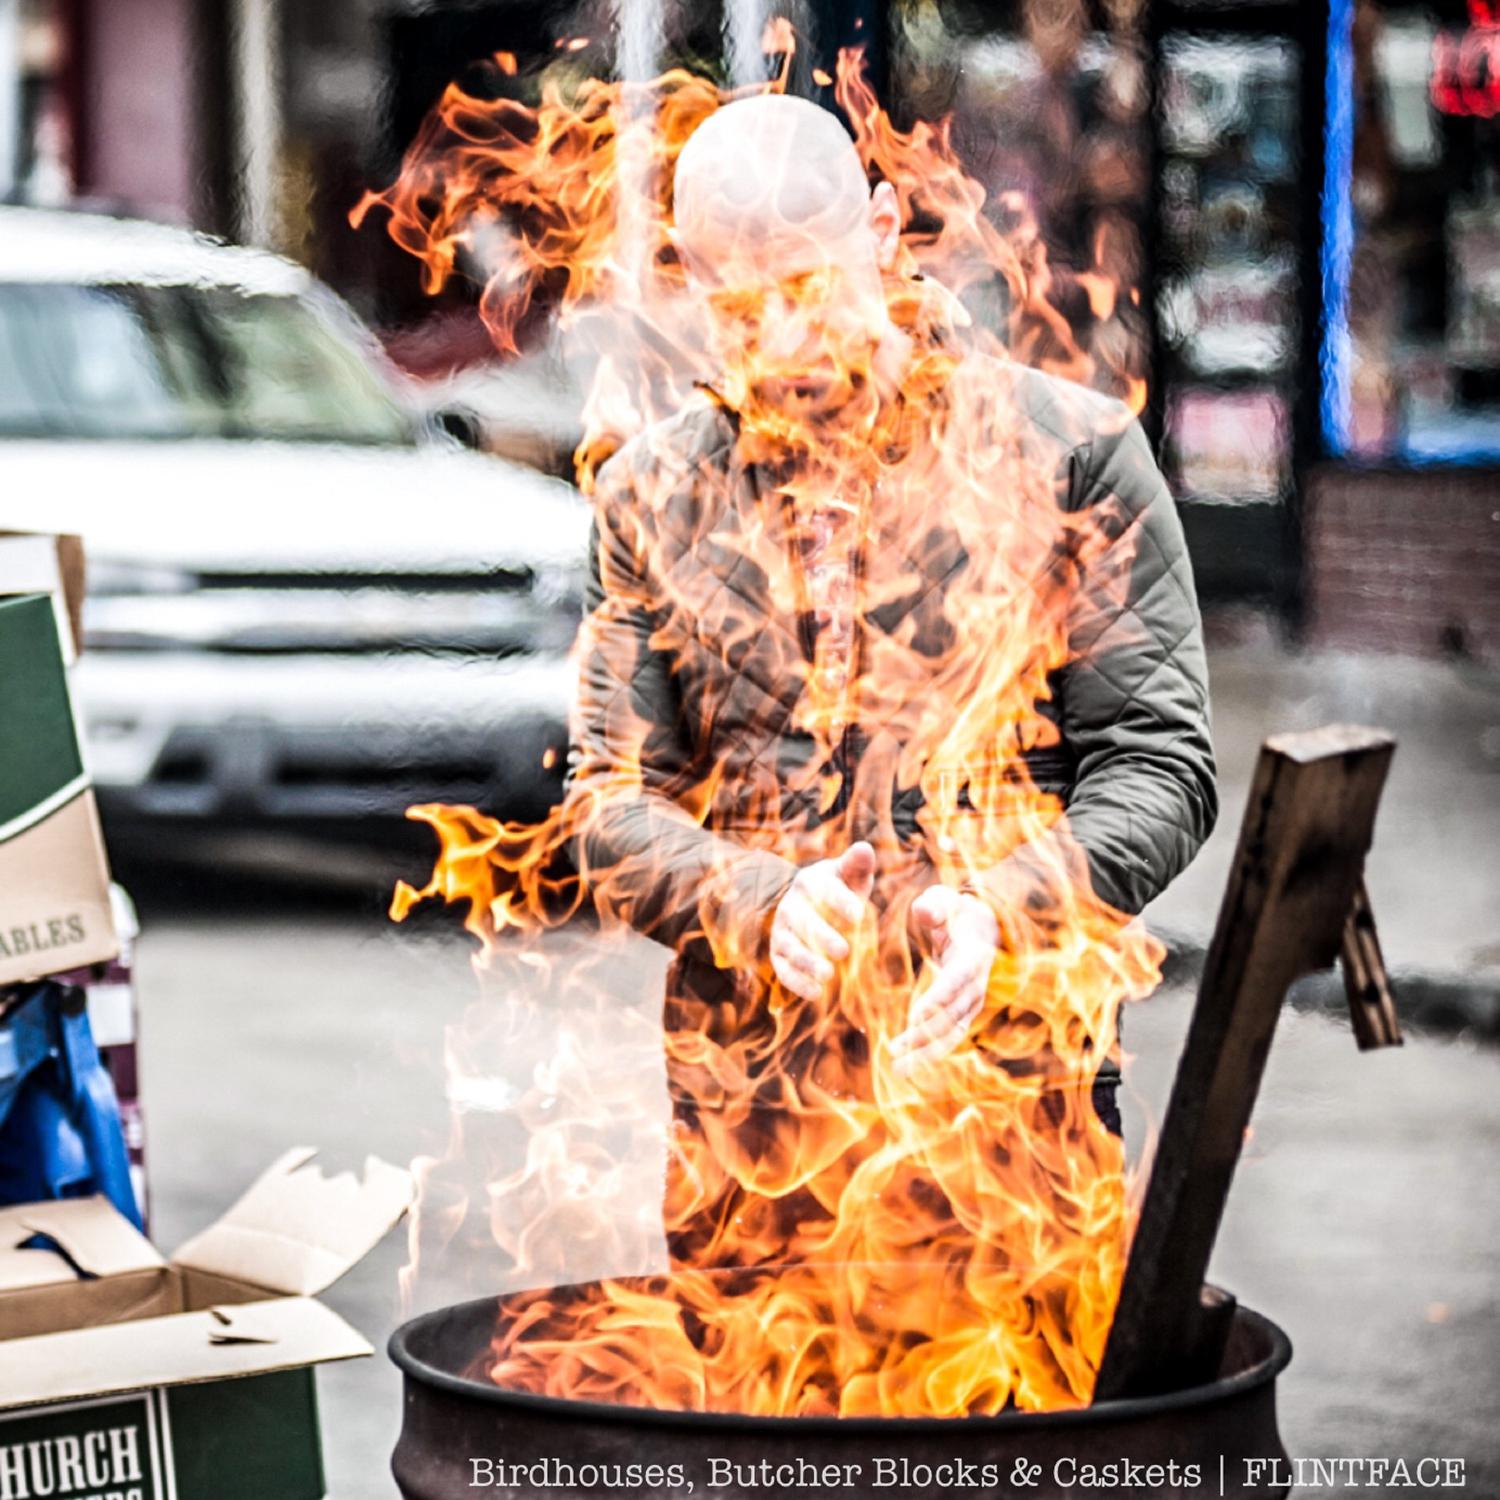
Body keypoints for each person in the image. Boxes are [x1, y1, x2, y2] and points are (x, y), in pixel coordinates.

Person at [562, 93, 1216, 1273]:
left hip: (1013, 1114)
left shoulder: (1069, 456)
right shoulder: (650, 498)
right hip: (752, 1139)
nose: (784, 345)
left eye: (810, 293)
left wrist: (1002, 905)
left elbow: (1160, 766)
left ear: (879, 229)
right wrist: (755, 897)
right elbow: (608, 807)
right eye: (741, 310)